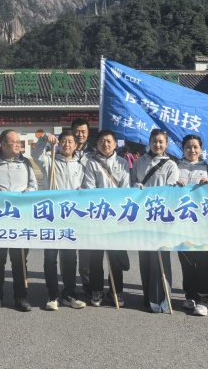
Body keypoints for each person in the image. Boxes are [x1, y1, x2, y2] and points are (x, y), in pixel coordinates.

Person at [0, 129, 38, 312]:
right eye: (14, 141)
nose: (19, 144)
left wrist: (29, 192)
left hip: (20, 218)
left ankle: (21, 297)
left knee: (19, 261)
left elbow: (34, 185)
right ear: (2, 144)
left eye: (19, 141)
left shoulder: (25, 162)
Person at [32, 130, 87, 310]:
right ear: (58, 143)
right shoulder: (50, 160)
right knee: (50, 257)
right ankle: (52, 294)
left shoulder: (80, 166)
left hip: (71, 217)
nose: (67, 144)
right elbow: (36, 154)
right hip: (51, 217)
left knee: (70, 258)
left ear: (76, 145)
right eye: (63, 141)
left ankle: (69, 293)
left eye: (70, 142)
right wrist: (43, 139)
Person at [131, 129, 178, 312]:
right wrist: (135, 186)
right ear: (149, 142)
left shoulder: (171, 165)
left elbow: (171, 191)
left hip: (160, 217)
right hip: (142, 217)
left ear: (166, 144)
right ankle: (147, 297)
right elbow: (131, 183)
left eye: (161, 142)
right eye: (154, 141)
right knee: (145, 258)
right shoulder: (139, 162)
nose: (157, 145)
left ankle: (161, 301)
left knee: (160, 260)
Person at [82, 129, 130, 307]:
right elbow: (89, 188)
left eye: (109, 141)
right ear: (97, 144)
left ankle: (116, 290)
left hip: (116, 217)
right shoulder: (91, 163)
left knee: (115, 256)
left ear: (115, 144)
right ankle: (96, 290)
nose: (106, 144)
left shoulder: (122, 163)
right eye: (102, 141)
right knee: (95, 257)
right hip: (97, 216)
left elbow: (126, 189)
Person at [175, 134, 208, 316]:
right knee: (187, 261)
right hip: (182, 222)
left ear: (201, 149)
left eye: (195, 147)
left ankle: (204, 298)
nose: (192, 150)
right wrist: (174, 185)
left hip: (204, 224)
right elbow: (167, 190)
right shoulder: (176, 167)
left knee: (205, 261)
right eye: (188, 147)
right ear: (183, 149)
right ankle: (190, 295)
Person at [71, 118, 95, 292]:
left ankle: (87, 282)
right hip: (69, 205)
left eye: (83, 131)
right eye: (77, 131)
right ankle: (69, 284)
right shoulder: (63, 150)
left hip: (88, 205)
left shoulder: (94, 152)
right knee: (69, 246)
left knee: (87, 246)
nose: (80, 134)